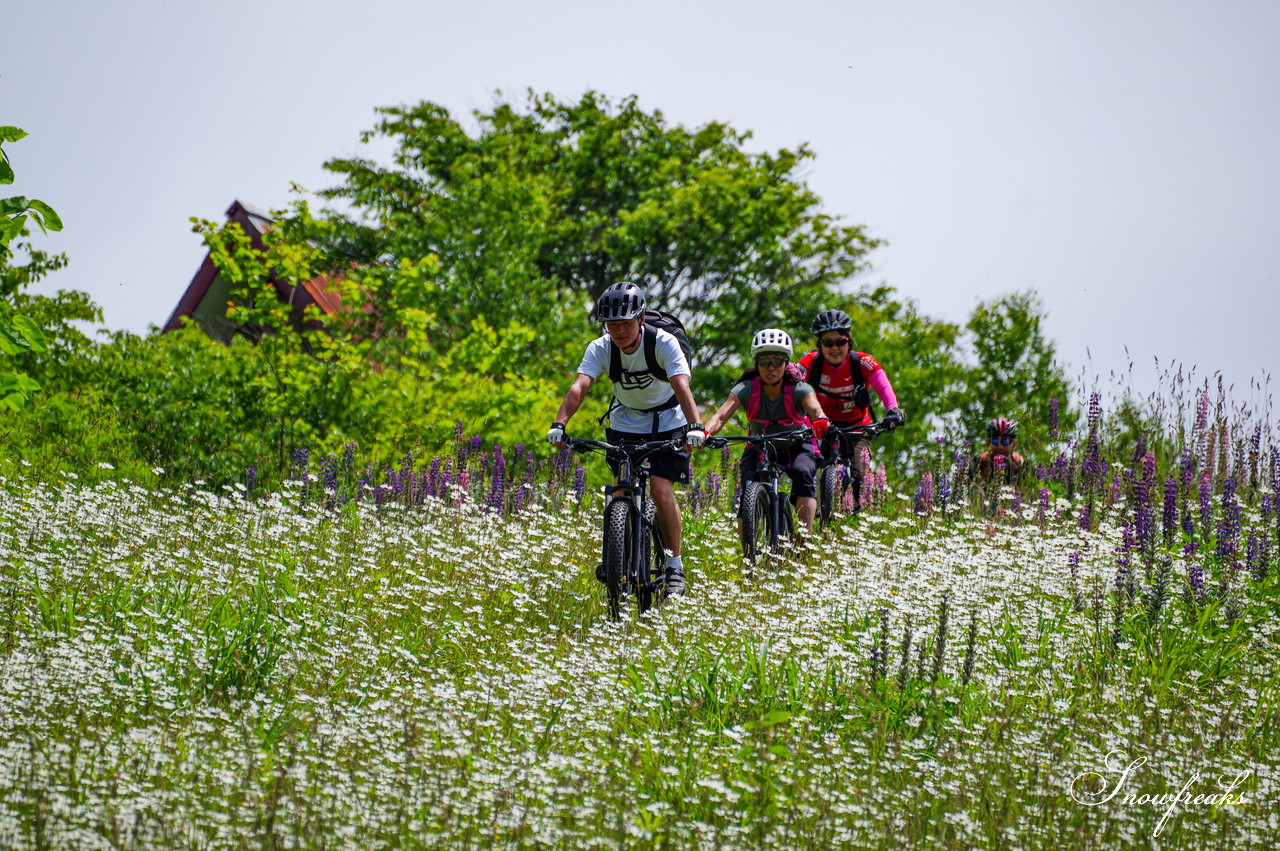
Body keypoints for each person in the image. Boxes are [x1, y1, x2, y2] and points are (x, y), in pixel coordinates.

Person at [547, 282, 705, 596]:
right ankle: (615, 555)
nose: (619, 331)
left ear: (641, 320)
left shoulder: (664, 343)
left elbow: (681, 386)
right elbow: (580, 386)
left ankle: (674, 566)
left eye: (625, 323)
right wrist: (559, 424)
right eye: (612, 325)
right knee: (621, 487)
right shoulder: (601, 348)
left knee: (660, 489)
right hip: (626, 422)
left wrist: (695, 426)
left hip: (669, 421)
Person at [703, 328, 829, 534]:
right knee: (747, 485)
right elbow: (720, 416)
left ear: (786, 363)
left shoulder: (799, 388)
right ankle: (748, 552)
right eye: (764, 362)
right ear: (757, 364)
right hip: (760, 445)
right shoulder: (746, 389)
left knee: (803, 473)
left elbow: (815, 408)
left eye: (777, 361)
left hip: (796, 444)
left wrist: (821, 420)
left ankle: (805, 540)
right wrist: (705, 432)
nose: (771, 368)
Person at [796, 309, 905, 509]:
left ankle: (855, 518)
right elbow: (792, 377)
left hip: (856, 427)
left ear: (849, 341)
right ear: (819, 345)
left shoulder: (862, 362)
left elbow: (884, 386)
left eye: (840, 342)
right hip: (820, 425)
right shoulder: (811, 361)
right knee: (802, 468)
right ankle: (810, 511)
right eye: (827, 343)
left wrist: (893, 410)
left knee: (859, 477)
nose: (834, 348)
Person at [978, 417, 1025, 482]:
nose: (1000, 446)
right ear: (987, 443)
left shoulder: (1024, 468)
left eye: (1005, 441)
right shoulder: (977, 466)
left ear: (1014, 444)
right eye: (995, 441)